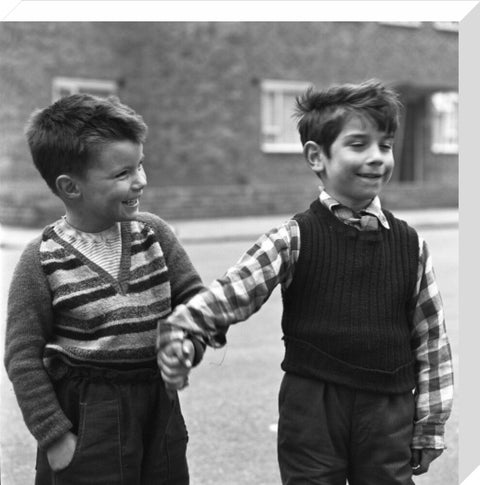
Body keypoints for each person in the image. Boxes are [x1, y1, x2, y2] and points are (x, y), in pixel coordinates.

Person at [157, 79, 454, 484]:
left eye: (385, 145)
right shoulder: (294, 237)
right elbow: (235, 290)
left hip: (389, 407)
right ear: (317, 156)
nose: (377, 158)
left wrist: (430, 423)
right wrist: (185, 326)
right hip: (313, 405)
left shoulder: (410, 244)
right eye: (358, 144)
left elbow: (431, 338)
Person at [4, 93, 205, 485]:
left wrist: (188, 342)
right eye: (122, 174)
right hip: (87, 416)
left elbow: (196, 301)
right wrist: (56, 436)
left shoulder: (155, 235)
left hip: (158, 409)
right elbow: (22, 357)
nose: (141, 181)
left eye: (140, 165)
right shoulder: (40, 260)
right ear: (70, 187)